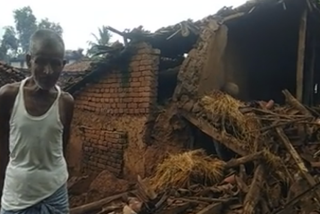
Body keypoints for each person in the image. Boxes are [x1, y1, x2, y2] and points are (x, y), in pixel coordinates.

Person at [0, 29, 74, 214]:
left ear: (63, 65)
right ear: (28, 60)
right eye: (40, 61)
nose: (47, 71)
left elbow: (62, 146)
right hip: (17, 196)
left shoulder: (66, 102)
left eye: (55, 64)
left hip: (55, 195)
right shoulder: (8, 96)